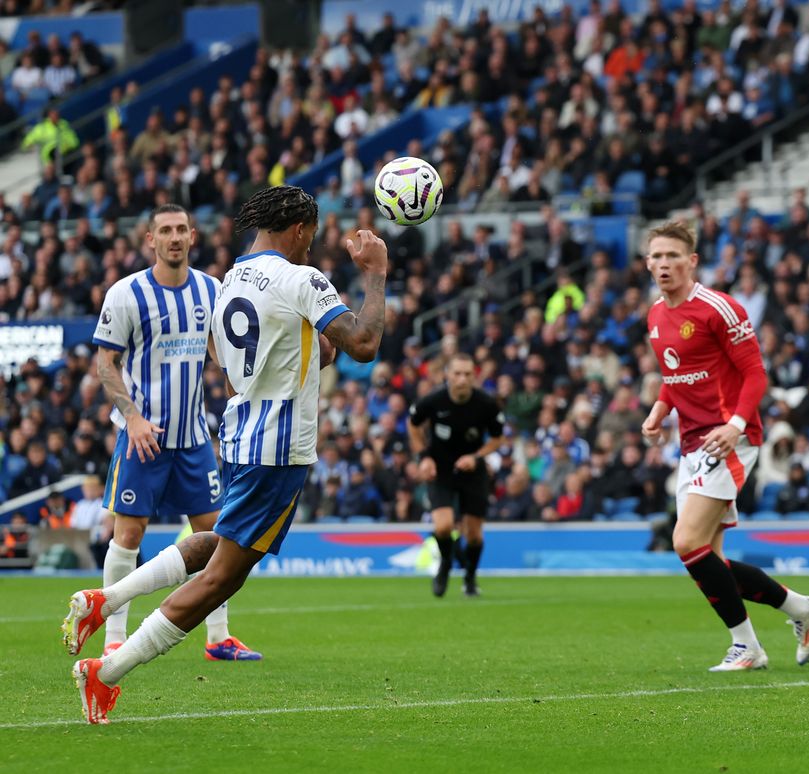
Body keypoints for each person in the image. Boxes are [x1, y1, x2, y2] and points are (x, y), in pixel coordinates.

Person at [63, 185, 386, 723]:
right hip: (278, 447)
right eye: (313, 236)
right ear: (301, 230)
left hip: (239, 434)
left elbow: (314, 351)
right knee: (224, 576)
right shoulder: (301, 277)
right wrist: (374, 274)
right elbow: (364, 345)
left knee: (216, 540)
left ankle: (107, 599)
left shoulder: (232, 278)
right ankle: (105, 674)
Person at [640, 220, 809, 672]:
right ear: (648, 263)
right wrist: (659, 409)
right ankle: (803, 609)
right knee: (712, 560)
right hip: (691, 443)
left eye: (672, 256)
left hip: (729, 439)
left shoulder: (719, 308)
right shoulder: (655, 316)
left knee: (685, 542)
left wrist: (737, 424)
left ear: (692, 261)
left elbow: (755, 374)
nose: (664, 264)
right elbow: (675, 376)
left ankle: (747, 647)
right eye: (656, 256)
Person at [79, 203, 259, 663]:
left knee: (219, 537)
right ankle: (113, 638)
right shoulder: (126, 293)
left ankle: (218, 638)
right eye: (165, 230)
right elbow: (105, 363)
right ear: (151, 240)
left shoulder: (211, 290)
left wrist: (246, 391)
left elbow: (222, 353)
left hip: (194, 437)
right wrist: (134, 419)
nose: (174, 237)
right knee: (128, 535)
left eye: (181, 229)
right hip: (144, 437)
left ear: (192, 237)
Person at [408, 352, 506, 597]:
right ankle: (446, 564)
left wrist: (476, 457)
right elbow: (413, 424)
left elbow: (497, 438)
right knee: (443, 527)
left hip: (473, 472)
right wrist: (424, 457)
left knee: (473, 535)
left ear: (475, 376)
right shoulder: (432, 401)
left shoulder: (486, 403)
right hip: (441, 470)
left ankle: (470, 579)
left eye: (467, 374)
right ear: (447, 376)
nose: (462, 379)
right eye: (457, 374)